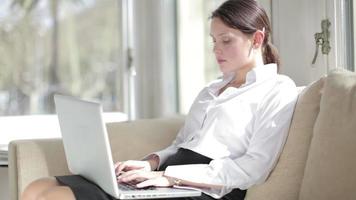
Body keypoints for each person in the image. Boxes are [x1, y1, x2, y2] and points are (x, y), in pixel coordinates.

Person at [21, 0, 298, 200]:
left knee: (53, 198)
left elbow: (254, 168)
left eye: (226, 40)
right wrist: (151, 163)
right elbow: (181, 145)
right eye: (214, 41)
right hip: (168, 176)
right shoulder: (212, 90)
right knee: (35, 188)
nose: (217, 50)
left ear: (257, 39)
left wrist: (170, 177)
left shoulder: (277, 89)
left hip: (204, 187)